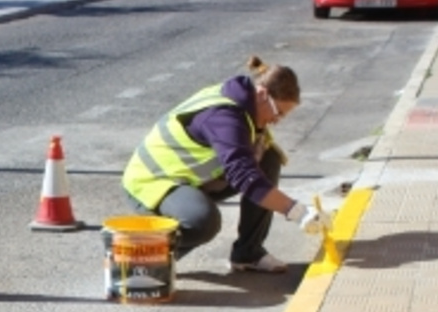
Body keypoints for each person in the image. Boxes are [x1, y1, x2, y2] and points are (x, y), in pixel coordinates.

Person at [122, 55, 331, 273]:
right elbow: (244, 175)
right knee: (202, 221)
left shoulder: (245, 107)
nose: (277, 120)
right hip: (152, 183)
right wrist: (298, 212)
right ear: (261, 94)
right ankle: (144, 260)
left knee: (268, 157)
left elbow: (250, 168)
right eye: (278, 112)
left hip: (189, 180)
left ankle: (248, 253)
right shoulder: (224, 118)